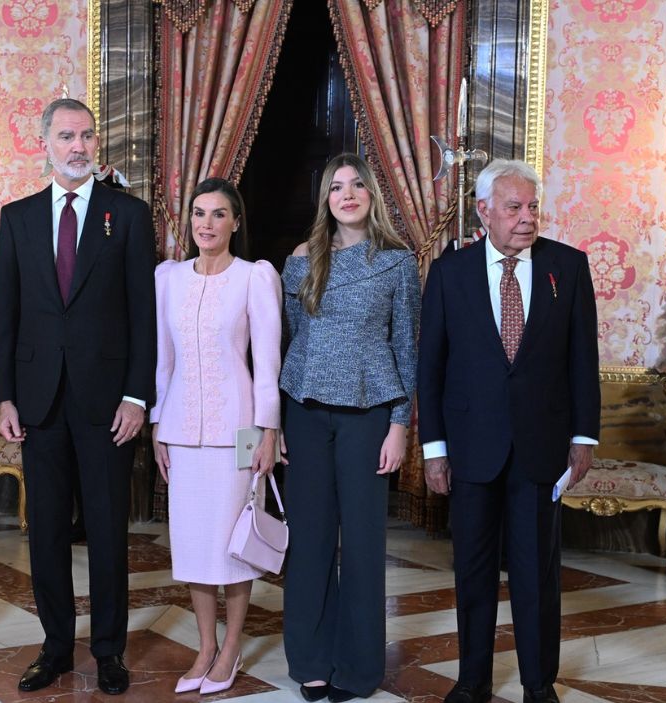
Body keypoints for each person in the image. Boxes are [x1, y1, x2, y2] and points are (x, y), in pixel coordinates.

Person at [0, 97, 156, 696]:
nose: (78, 146)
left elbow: (143, 314)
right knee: (47, 533)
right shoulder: (18, 218)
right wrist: (5, 397)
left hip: (108, 403)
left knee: (108, 532)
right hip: (38, 403)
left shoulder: (128, 215)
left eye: (86, 135)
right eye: (66, 136)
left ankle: (109, 650)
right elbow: (4, 313)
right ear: (46, 144)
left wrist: (137, 396)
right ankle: (56, 646)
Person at [418, 159, 600, 703]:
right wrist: (434, 450)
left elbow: (582, 359)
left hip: (542, 447)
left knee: (536, 572)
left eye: (532, 207)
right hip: (471, 446)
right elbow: (431, 368)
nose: (527, 218)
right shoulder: (450, 273)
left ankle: (538, 684)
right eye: (514, 207)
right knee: (472, 570)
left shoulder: (567, 267)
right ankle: (472, 681)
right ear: (484, 211)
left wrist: (584, 438)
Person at [279, 153, 420, 702]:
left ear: (371, 194)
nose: (348, 194)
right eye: (336, 186)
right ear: (326, 200)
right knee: (310, 540)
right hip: (305, 410)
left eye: (357, 184)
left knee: (362, 543)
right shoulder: (301, 259)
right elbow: (294, 338)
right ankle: (311, 660)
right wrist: (278, 422)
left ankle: (359, 668)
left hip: (369, 412)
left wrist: (400, 424)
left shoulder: (398, 262)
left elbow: (407, 346)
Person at [149, 178, 281, 695]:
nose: (206, 224)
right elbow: (164, 361)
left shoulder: (255, 277)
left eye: (218, 214)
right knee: (193, 546)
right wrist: (158, 425)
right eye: (199, 213)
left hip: (239, 432)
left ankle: (231, 646)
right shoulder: (168, 279)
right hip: (181, 431)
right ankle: (205, 647)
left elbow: (266, 364)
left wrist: (268, 431)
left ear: (235, 222)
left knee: (234, 545)